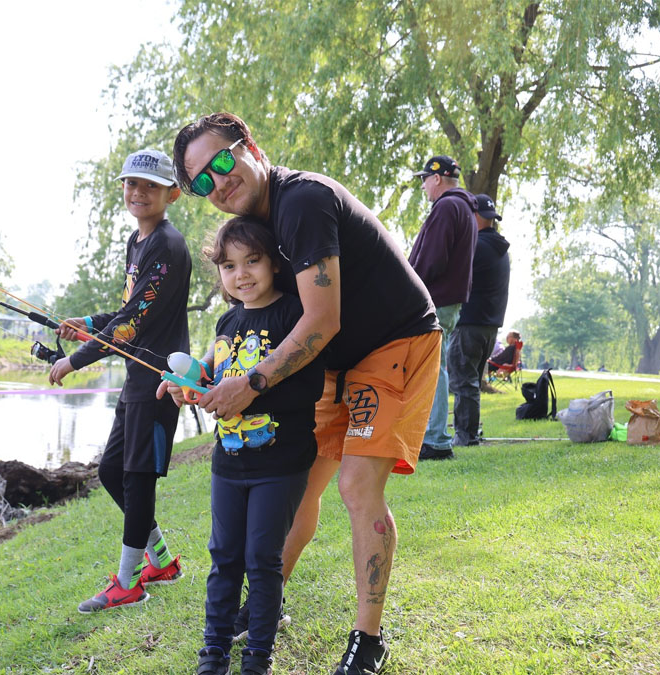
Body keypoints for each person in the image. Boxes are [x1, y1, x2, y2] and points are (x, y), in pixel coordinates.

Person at [174, 113, 441, 675]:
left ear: (251, 147)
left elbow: (319, 320)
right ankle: (267, 604)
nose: (218, 183)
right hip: (333, 361)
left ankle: (368, 640)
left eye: (222, 161)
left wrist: (251, 384)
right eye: (201, 181)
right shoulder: (262, 225)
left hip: (394, 340)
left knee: (355, 483)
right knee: (301, 482)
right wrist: (204, 371)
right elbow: (258, 319)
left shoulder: (301, 202)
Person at [164, 218, 324, 675]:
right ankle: (212, 653)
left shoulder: (295, 313)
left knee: (262, 559)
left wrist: (248, 390)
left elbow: (309, 387)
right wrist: (188, 385)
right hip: (228, 463)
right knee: (224, 558)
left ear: (274, 261)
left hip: (282, 462)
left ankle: (257, 657)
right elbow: (212, 376)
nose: (241, 274)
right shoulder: (226, 320)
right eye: (229, 265)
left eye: (252, 260)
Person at [49, 148, 193, 613]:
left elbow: (131, 325)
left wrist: (76, 359)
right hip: (136, 379)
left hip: (157, 380)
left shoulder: (168, 247)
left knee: (136, 477)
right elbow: (126, 312)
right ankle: (163, 561)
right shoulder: (139, 243)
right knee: (113, 471)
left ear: (171, 192)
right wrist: (87, 321)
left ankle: (129, 582)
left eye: (149, 185)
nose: (138, 192)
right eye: (131, 184)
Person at [408, 156, 477, 461]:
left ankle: (435, 439)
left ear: (436, 178)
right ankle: (434, 436)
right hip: (448, 300)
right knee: (437, 368)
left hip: (435, 298)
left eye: (424, 179)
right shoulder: (462, 207)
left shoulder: (447, 206)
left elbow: (432, 259)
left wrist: (408, 281)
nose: (423, 185)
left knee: (432, 370)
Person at [448, 194, 511, 447]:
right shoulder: (499, 249)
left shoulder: (476, 246)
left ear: (474, 217)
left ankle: (465, 435)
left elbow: (451, 273)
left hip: (470, 323)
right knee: (470, 381)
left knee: (462, 380)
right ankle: (469, 432)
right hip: (489, 325)